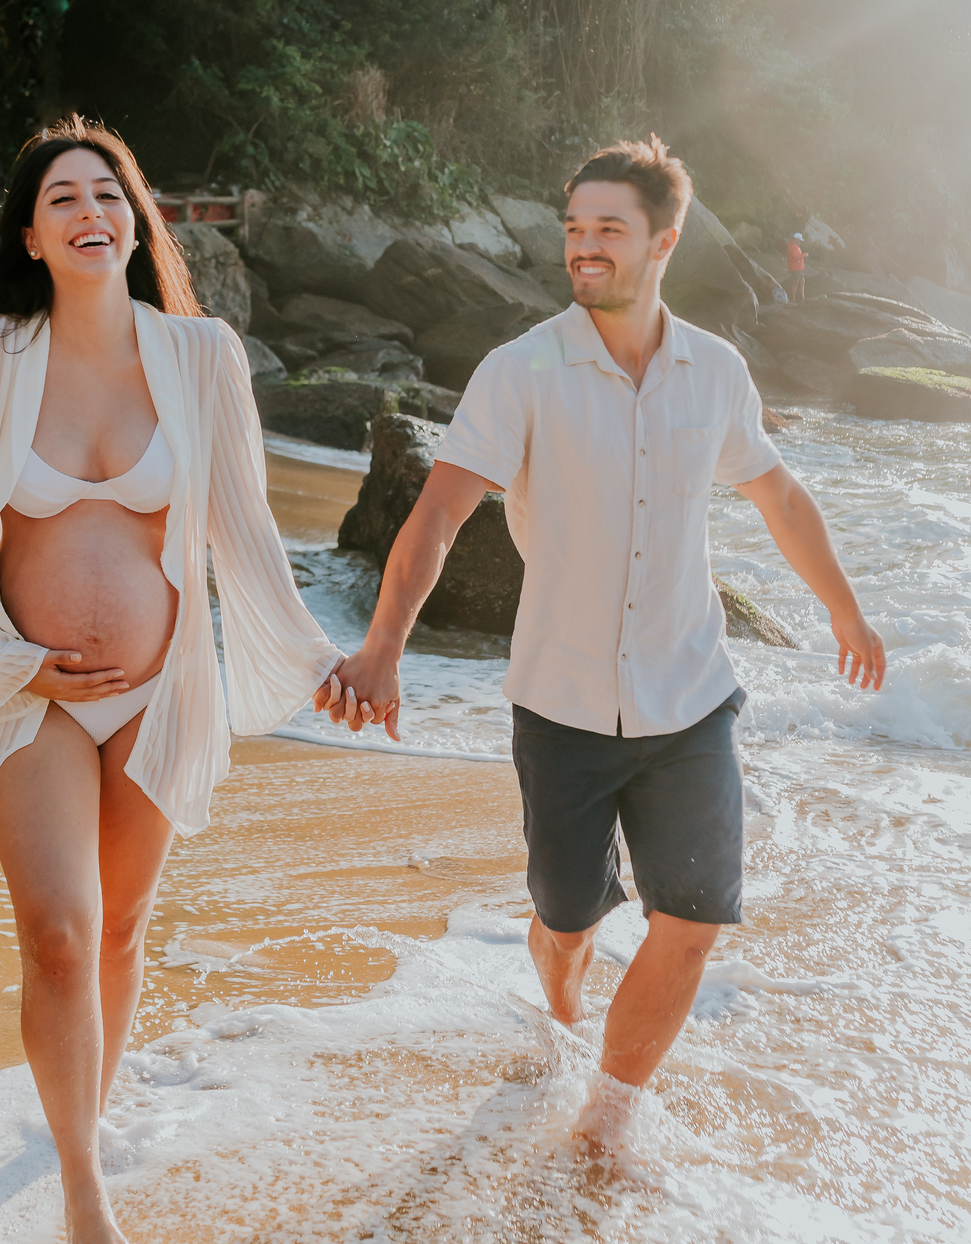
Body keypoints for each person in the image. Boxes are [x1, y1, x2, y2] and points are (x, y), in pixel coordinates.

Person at [317, 136, 884, 1151]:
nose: (583, 246)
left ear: (664, 241)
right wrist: (383, 645)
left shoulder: (715, 370)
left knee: (694, 919)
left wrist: (844, 609)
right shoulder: (521, 371)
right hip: (563, 703)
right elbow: (440, 513)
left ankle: (605, 1121)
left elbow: (780, 495)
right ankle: (561, 1009)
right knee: (568, 921)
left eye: (608, 229)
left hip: (691, 698)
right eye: (574, 227)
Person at [0, 116, 341, 1244]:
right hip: (30, 694)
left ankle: (82, 1123)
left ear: (138, 222)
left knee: (119, 928)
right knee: (60, 931)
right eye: (62, 198)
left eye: (109, 193)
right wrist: (12, 661)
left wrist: (321, 662)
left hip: (160, 688)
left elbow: (245, 534)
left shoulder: (201, 356)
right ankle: (82, 1183)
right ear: (31, 235)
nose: (90, 211)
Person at [787, 231, 807, 302]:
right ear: (796, 239)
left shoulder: (796, 247)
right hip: (795, 268)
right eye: (799, 240)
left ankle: (802, 298)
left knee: (802, 282)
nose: (800, 242)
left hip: (799, 268)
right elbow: (796, 257)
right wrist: (804, 255)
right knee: (795, 283)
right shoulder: (792, 247)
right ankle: (792, 299)